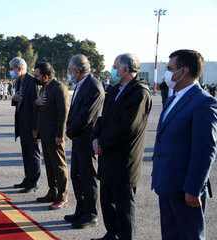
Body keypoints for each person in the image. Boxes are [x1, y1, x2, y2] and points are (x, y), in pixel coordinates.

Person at [152, 49, 217, 240]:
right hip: (166, 183)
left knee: (190, 236)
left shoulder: (203, 103)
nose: (167, 72)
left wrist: (193, 189)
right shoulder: (173, 98)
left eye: (170, 68)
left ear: (184, 71)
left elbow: (204, 151)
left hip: (185, 189)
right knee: (170, 235)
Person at [92, 53, 152, 240]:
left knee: (124, 207)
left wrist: (102, 142)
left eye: (115, 66)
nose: (113, 69)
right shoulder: (115, 89)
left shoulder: (140, 93)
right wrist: (96, 138)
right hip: (107, 154)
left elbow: (127, 127)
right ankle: (112, 235)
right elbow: (102, 118)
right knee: (108, 202)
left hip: (124, 159)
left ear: (125, 69)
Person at [64, 54, 105, 229]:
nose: (68, 73)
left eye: (69, 70)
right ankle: (81, 210)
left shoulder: (94, 86)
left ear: (77, 71)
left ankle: (91, 214)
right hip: (78, 138)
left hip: (87, 139)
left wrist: (69, 131)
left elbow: (86, 116)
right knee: (77, 176)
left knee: (88, 178)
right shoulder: (81, 84)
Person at [34, 62, 69, 210]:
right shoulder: (44, 87)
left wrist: (60, 134)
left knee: (59, 166)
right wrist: (36, 103)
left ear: (46, 76)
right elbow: (40, 108)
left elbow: (64, 112)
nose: (35, 78)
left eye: (37, 75)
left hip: (56, 135)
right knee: (49, 164)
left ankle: (63, 196)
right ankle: (53, 191)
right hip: (46, 134)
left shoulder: (59, 87)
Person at [10, 57, 42, 193]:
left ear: (20, 68)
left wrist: (36, 127)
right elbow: (18, 99)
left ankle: (34, 182)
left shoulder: (32, 81)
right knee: (25, 152)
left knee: (33, 153)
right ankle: (28, 178)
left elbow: (37, 107)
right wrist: (14, 99)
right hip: (22, 123)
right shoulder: (19, 81)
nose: (10, 71)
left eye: (12, 68)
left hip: (31, 124)